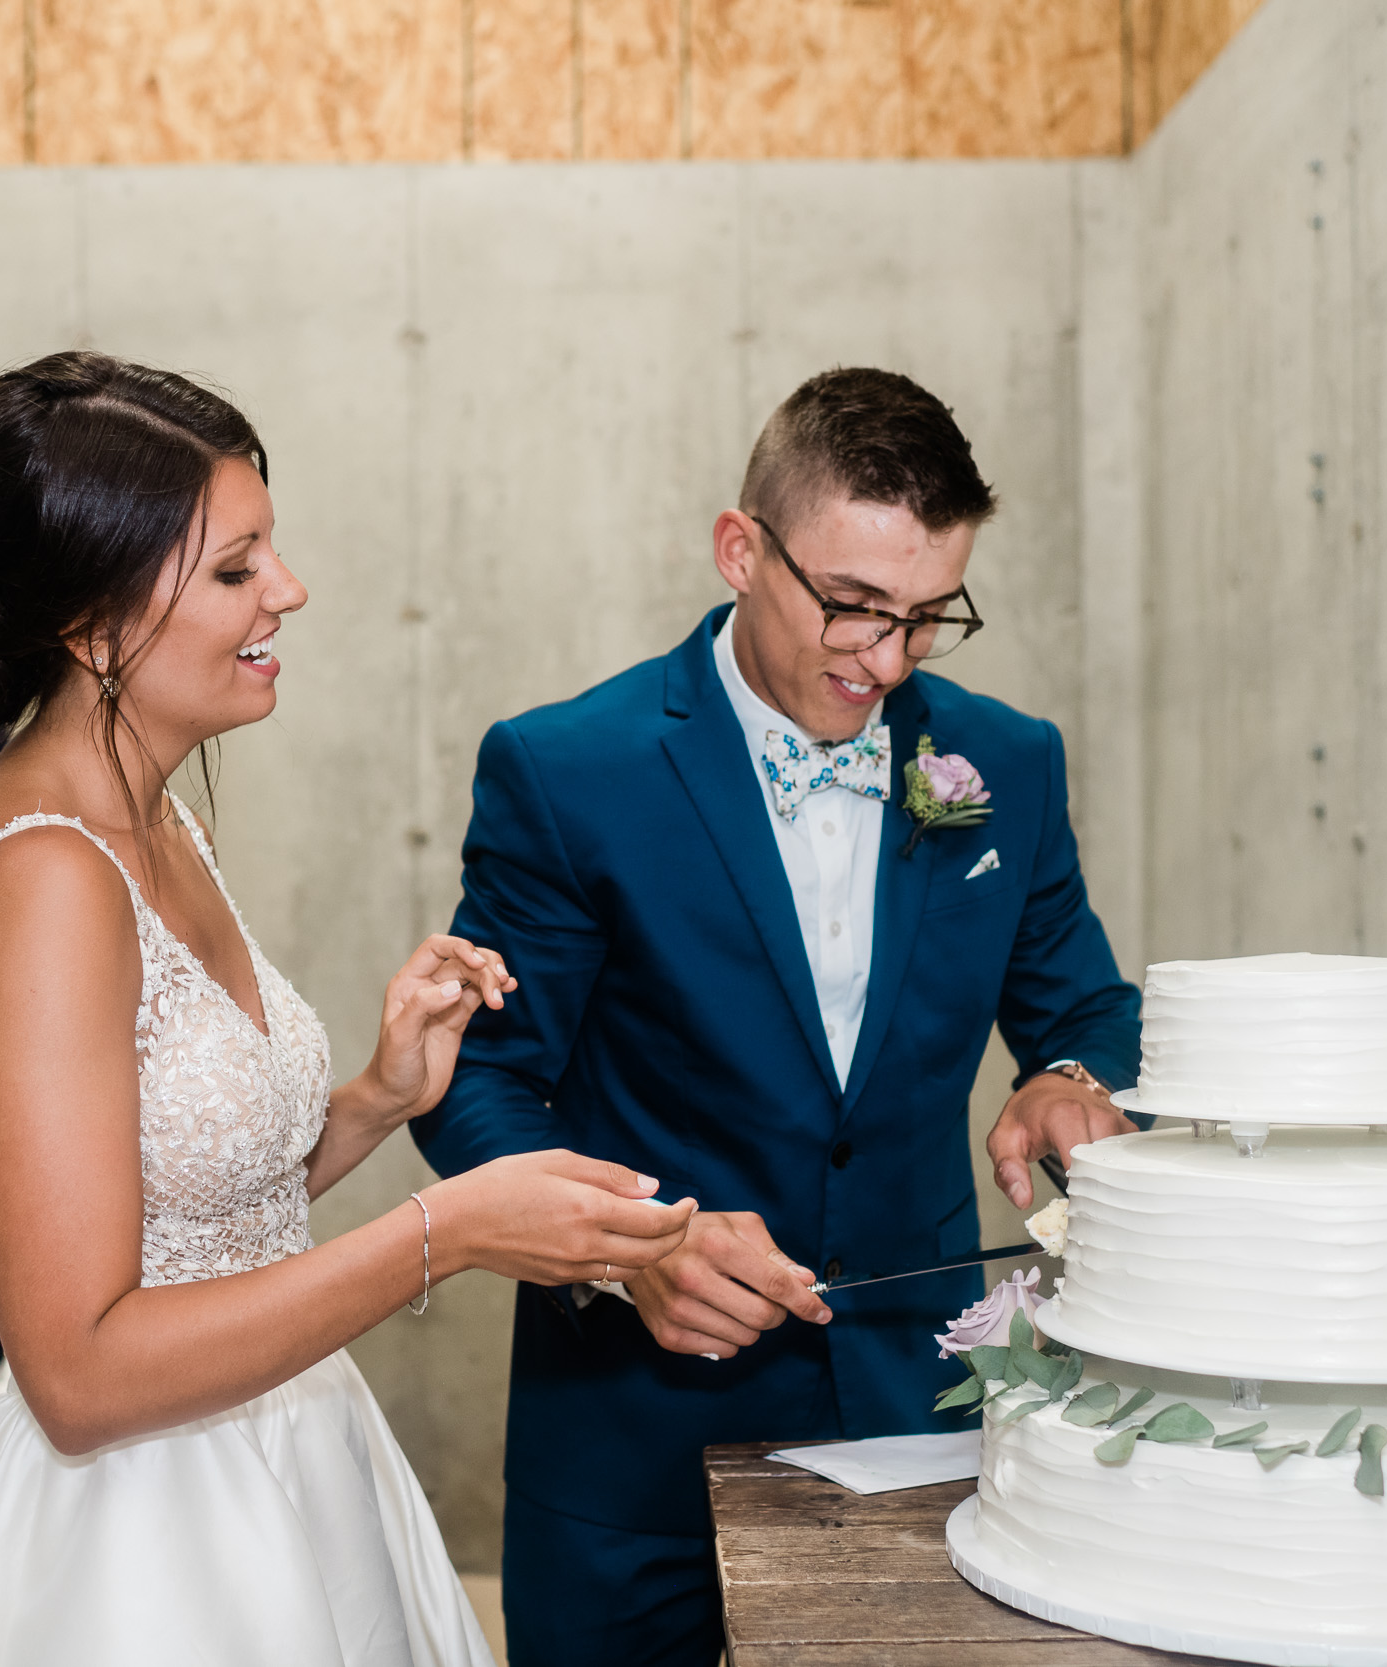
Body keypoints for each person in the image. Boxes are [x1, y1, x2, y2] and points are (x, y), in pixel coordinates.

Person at [0, 352, 691, 1666]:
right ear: (94, 623)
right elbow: (79, 1372)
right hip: (141, 1544)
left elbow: (184, 1202)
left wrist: (379, 1093)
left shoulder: (154, 813)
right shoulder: (45, 875)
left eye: (271, 552)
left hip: (284, 1449)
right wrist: (449, 1227)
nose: (286, 591)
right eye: (237, 568)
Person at [409, 368, 1146, 1666]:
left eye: (929, 618)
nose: (886, 660)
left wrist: (1071, 1072)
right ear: (741, 549)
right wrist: (625, 1244)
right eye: (855, 608)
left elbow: (1080, 1001)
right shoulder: (569, 770)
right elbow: (482, 1082)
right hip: (635, 1449)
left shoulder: (1002, 763)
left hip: (917, 1424)